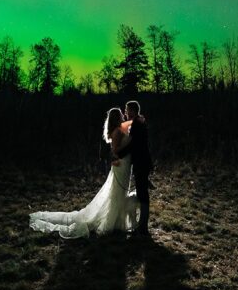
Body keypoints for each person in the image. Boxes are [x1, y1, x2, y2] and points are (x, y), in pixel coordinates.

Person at [28, 108, 140, 238]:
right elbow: (115, 151)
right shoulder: (116, 132)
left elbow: (133, 122)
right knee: (117, 193)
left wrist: (137, 121)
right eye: (121, 114)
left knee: (121, 192)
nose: (123, 115)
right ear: (117, 117)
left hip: (125, 166)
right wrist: (131, 143)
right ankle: (112, 222)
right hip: (121, 166)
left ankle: (118, 220)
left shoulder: (121, 127)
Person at [115, 100, 153, 237]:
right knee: (142, 193)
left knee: (143, 195)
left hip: (141, 162)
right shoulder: (138, 122)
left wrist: (118, 154)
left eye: (127, 110)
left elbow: (133, 145)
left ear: (133, 110)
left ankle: (143, 227)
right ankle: (142, 226)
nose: (125, 112)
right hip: (143, 162)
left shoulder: (137, 124)